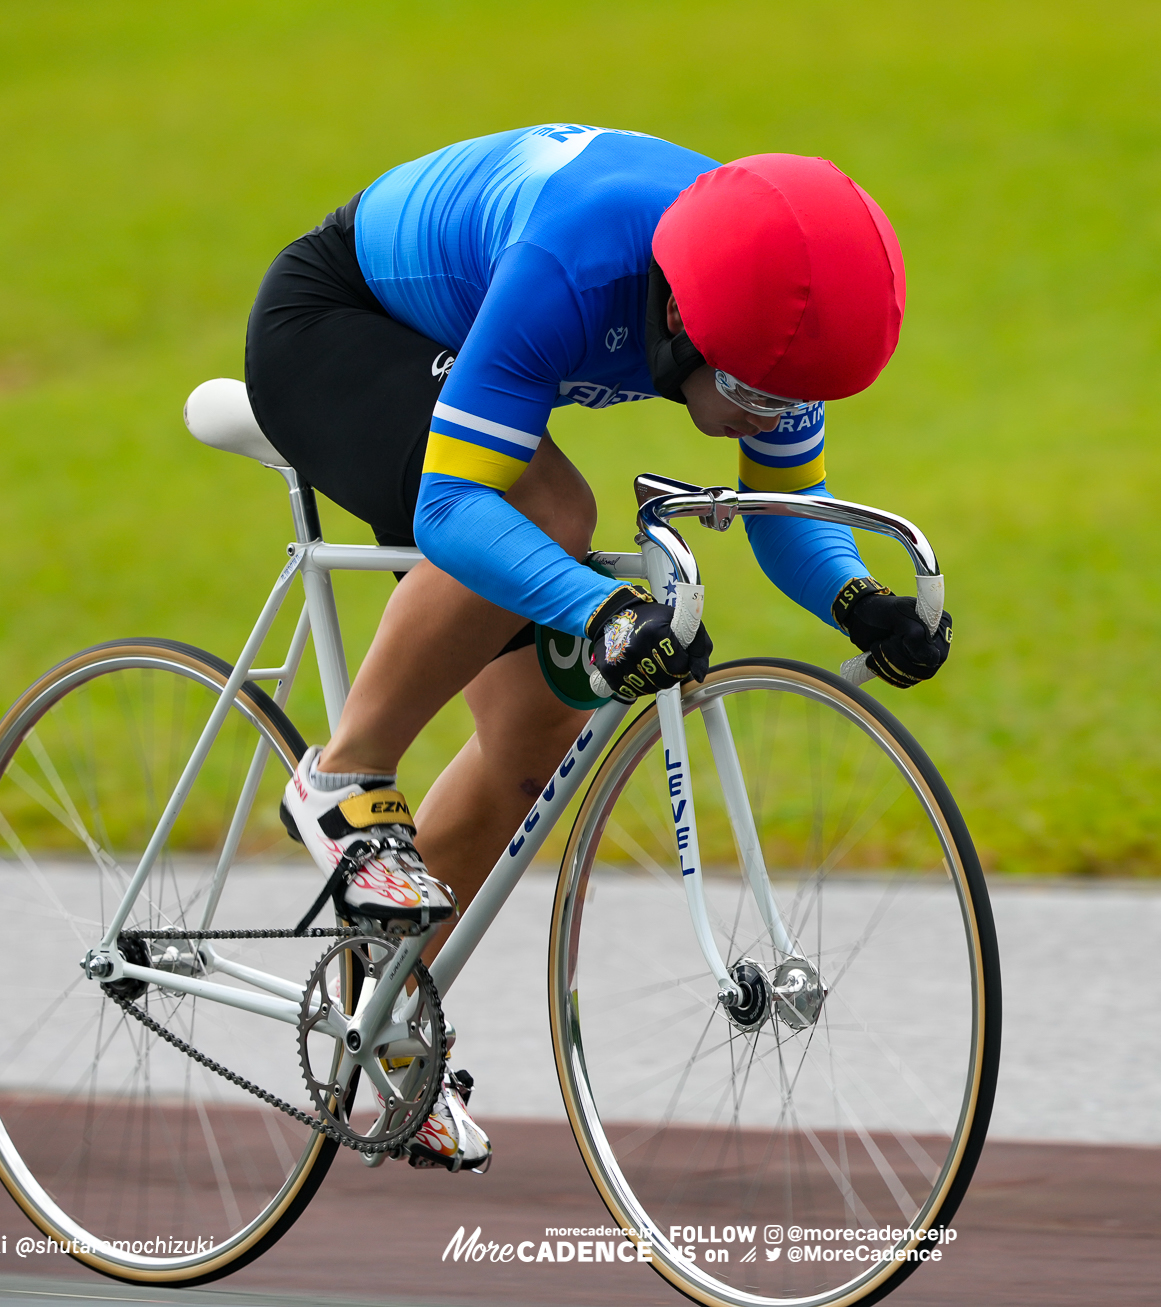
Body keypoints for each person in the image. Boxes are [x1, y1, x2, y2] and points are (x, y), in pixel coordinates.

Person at [246, 124, 953, 1173]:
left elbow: (783, 508)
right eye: (755, 391)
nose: (770, 412)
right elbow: (452, 508)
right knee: (552, 506)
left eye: (790, 398)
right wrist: (603, 613)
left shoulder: (764, 312)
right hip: (339, 320)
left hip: (453, 338)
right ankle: (341, 772)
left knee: (533, 743)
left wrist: (860, 600)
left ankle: (377, 1026)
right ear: (678, 319)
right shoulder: (580, 263)